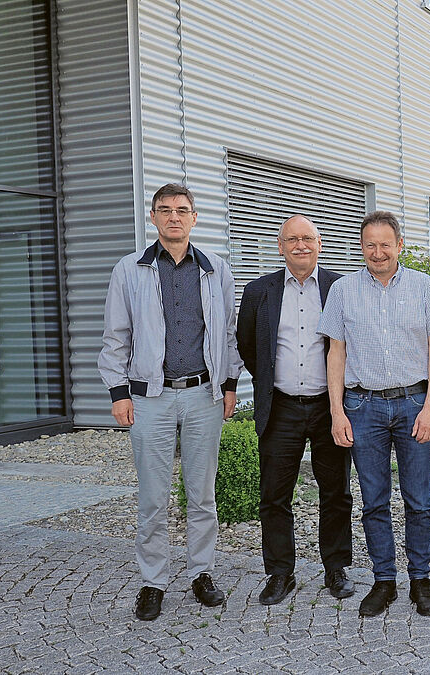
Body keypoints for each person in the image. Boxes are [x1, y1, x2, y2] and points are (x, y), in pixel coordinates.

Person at [98, 183, 241, 621]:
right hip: (149, 400)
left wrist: (230, 384)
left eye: (182, 210)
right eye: (165, 210)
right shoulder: (130, 269)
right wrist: (118, 393)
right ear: (154, 218)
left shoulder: (216, 268)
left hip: (203, 395)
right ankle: (153, 582)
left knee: (201, 495)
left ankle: (201, 572)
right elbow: (115, 338)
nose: (174, 217)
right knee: (153, 498)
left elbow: (229, 335)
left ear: (194, 218)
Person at [317, 211, 430, 617]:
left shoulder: (425, 287)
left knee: (418, 500)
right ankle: (383, 581)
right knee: (374, 501)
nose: (377, 252)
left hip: (414, 404)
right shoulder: (342, 290)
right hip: (362, 408)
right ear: (362, 247)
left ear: (399, 245)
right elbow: (336, 354)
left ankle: (420, 579)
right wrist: (336, 412)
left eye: (385, 244)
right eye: (369, 245)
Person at [236, 215, 354, 606]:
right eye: (292, 239)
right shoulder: (259, 292)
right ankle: (279, 573)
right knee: (274, 495)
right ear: (280, 245)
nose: (300, 245)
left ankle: (335, 568)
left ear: (319, 243)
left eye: (307, 238)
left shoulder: (341, 287)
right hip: (281, 406)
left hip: (329, 407)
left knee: (335, 492)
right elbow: (248, 347)